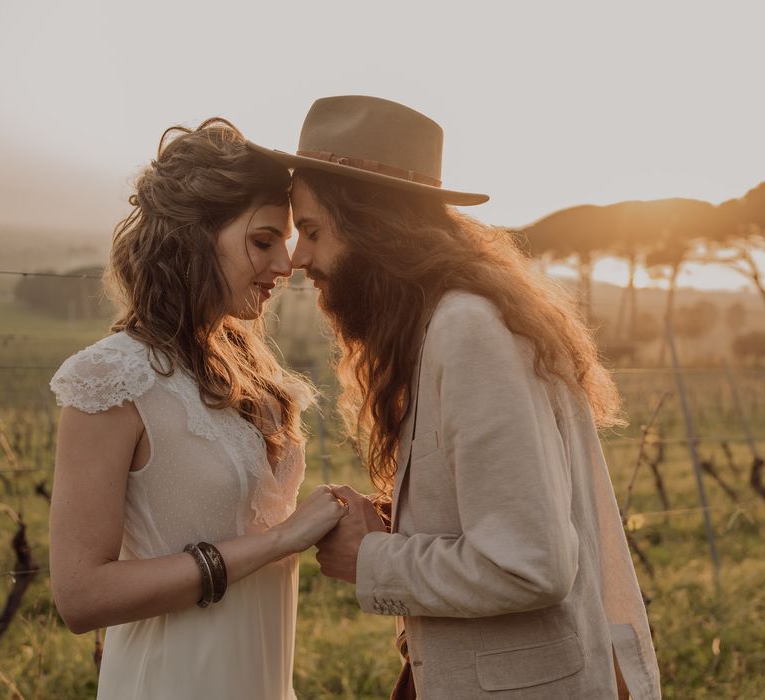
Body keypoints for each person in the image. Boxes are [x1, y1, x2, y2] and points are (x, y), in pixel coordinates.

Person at [248, 96, 662, 699]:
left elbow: (529, 565)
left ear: (375, 226)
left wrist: (371, 557)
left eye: (312, 231)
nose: (298, 258)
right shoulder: (442, 322)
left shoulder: (467, 330)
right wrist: (403, 524)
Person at [48, 118, 347, 700]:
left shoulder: (250, 369)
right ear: (192, 235)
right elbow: (81, 596)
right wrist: (280, 540)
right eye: (263, 241)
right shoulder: (110, 379)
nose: (285, 268)